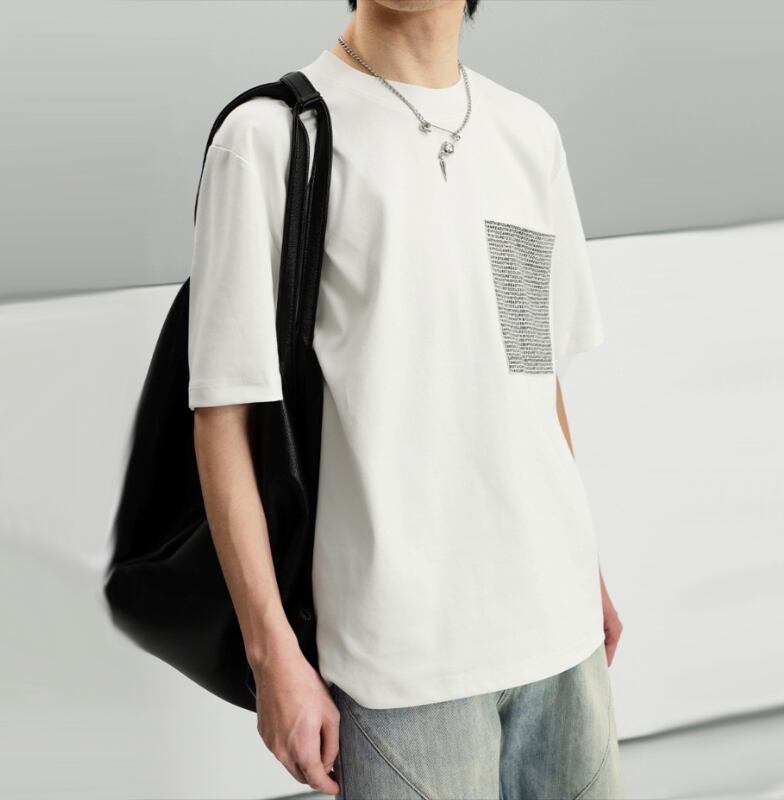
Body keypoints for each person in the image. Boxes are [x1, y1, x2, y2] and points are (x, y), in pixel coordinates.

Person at [187, 0, 625, 797]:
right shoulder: (270, 140)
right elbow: (224, 417)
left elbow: (532, 373)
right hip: (400, 662)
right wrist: (272, 655)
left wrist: (584, 567)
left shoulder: (526, 133)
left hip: (562, 631)